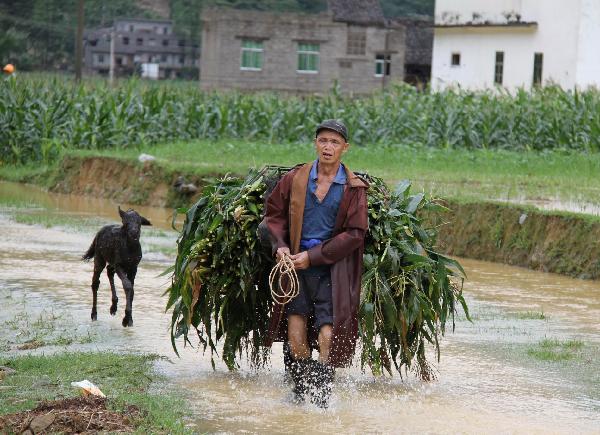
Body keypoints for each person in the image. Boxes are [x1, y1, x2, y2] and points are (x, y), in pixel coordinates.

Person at [264, 119, 369, 407]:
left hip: (333, 271)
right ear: (315, 143)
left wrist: (314, 257)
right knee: (296, 336)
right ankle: (300, 398)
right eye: (323, 140)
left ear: (344, 148)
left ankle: (321, 402)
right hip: (295, 269)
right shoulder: (295, 179)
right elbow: (273, 215)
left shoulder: (353, 188)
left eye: (334, 142)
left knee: (327, 335)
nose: (327, 147)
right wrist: (281, 245)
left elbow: (355, 233)